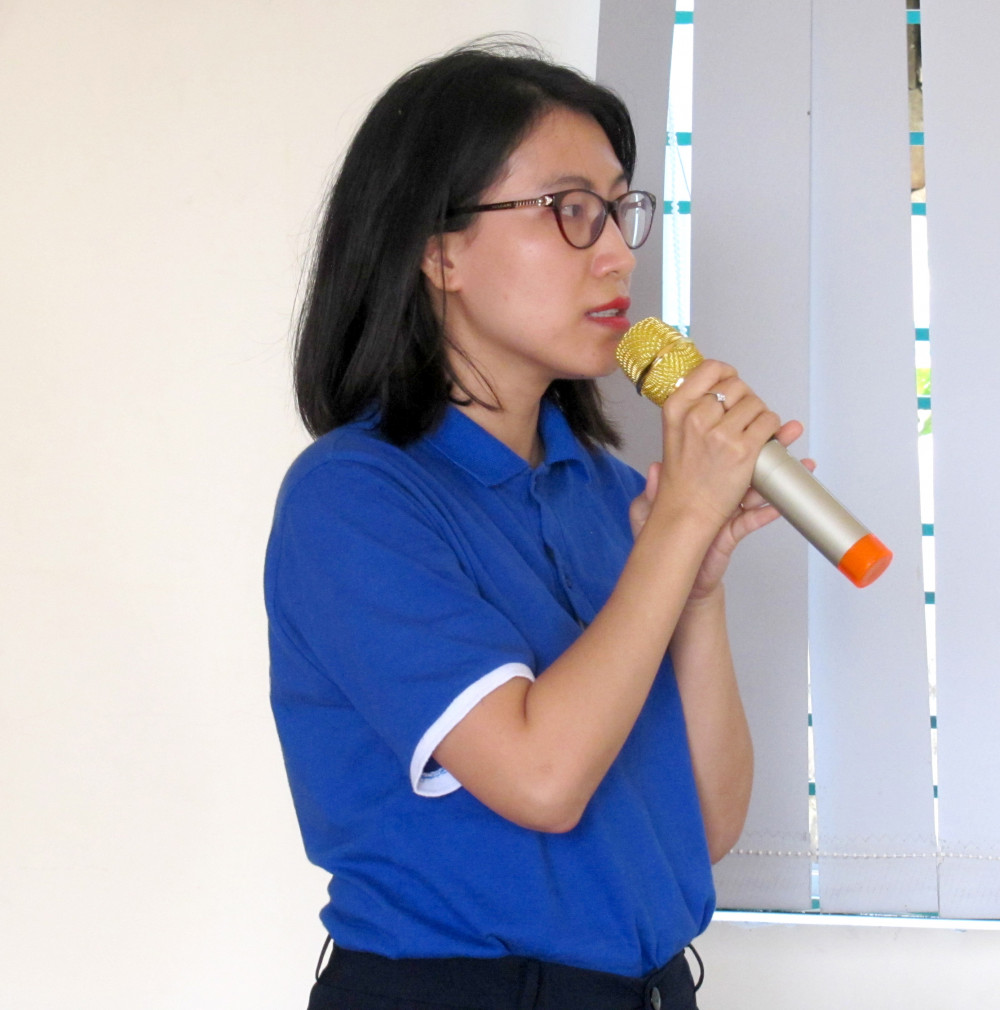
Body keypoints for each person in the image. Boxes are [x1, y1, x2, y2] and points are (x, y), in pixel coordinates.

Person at [265, 39, 803, 1010]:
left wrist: (696, 587)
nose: (617, 253)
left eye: (619, 210)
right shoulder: (352, 498)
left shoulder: (610, 495)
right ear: (438, 249)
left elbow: (708, 823)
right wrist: (679, 523)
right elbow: (542, 778)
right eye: (569, 210)